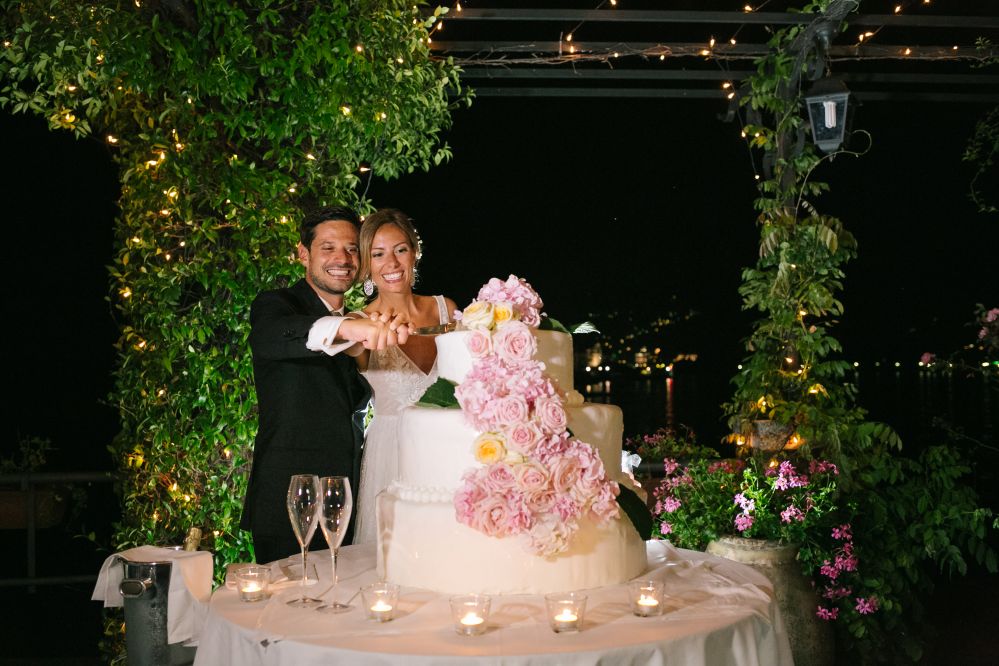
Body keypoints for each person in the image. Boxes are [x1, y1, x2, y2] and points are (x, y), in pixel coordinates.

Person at [240, 205, 412, 565]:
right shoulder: (277, 304)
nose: (342, 258)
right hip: (288, 500)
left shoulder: (362, 321)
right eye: (328, 247)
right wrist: (347, 329)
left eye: (351, 249)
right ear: (304, 253)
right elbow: (270, 337)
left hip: (347, 500)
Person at [348, 208, 457, 544]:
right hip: (391, 454)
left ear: (415, 252)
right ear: (367, 264)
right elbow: (346, 346)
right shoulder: (357, 322)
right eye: (378, 254)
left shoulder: (446, 310)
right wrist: (360, 333)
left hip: (446, 448)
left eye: (400, 250)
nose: (391, 264)